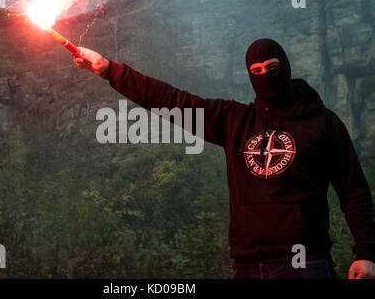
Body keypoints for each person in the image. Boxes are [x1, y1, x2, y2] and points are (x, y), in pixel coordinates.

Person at [73, 38, 375, 279]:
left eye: (271, 66)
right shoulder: (234, 120)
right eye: (256, 71)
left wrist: (366, 252)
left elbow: (354, 191)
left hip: (305, 263)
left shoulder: (323, 123)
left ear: (286, 66)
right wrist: (109, 69)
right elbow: (171, 100)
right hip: (247, 266)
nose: (265, 75)